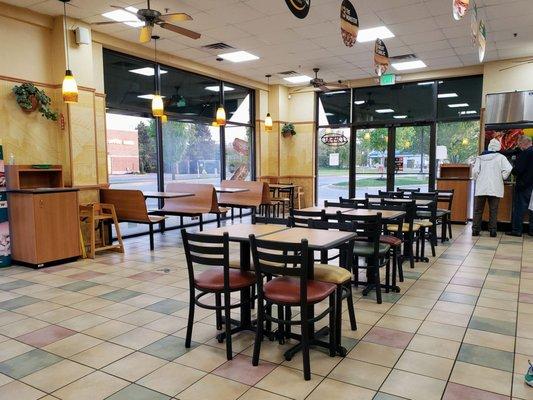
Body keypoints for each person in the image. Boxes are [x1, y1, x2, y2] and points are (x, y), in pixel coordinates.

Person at [472, 138, 512, 237]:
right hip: (495, 187)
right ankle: (493, 231)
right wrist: (502, 177)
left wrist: (479, 179)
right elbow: (508, 168)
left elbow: (474, 172)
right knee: (493, 210)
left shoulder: (480, 158)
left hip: (481, 187)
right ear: (498, 147)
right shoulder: (501, 157)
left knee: (478, 210)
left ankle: (475, 230)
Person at [508, 135, 533, 237]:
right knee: (532, 209)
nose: (519, 147)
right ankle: (531, 230)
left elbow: (517, 169)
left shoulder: (526, 153)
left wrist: (513, 170)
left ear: (523, 143)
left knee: (519, 208)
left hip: (524, 185)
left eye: (519, 144)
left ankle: (517, 230)